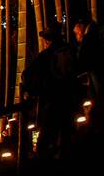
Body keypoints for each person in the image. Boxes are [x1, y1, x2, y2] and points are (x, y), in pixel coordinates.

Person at [22, 26, 79, 160]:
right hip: (70, 98)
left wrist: (31, 90)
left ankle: (44, 167)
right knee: (67, 133)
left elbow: (27, 74)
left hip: (52, 100)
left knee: (46, 137)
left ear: (47, 40)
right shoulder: (71, 50)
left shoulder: (46, 55)